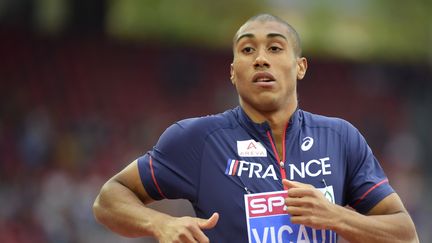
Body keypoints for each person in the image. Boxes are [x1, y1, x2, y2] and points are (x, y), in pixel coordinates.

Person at [93, 13, 419, 243]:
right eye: (248, 50)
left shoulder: (341, 138)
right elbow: (108, 199)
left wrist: (336, 217)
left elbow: (404, 234)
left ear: (300, 66)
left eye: (275, 48)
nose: (261, 59)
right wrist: (160, 224)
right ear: (234, 72)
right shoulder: (198, 140)